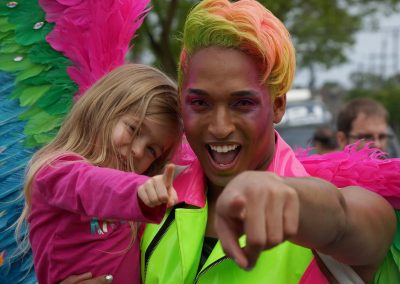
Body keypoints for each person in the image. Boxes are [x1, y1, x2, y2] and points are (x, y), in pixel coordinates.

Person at [139, 0, 395, 283]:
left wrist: (287, 198)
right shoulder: (152, 197)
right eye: (200, 103)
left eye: (242, 103)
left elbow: (345, 220)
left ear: (278, 105)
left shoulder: (330, 208)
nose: (220, 127)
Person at [15, 64, 183, 284]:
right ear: (103, 109)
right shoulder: (56, 171)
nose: (138, 150)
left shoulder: (133, 209)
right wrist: (140, 190)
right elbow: (92, 185)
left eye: (152, 150)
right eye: (133, 129)